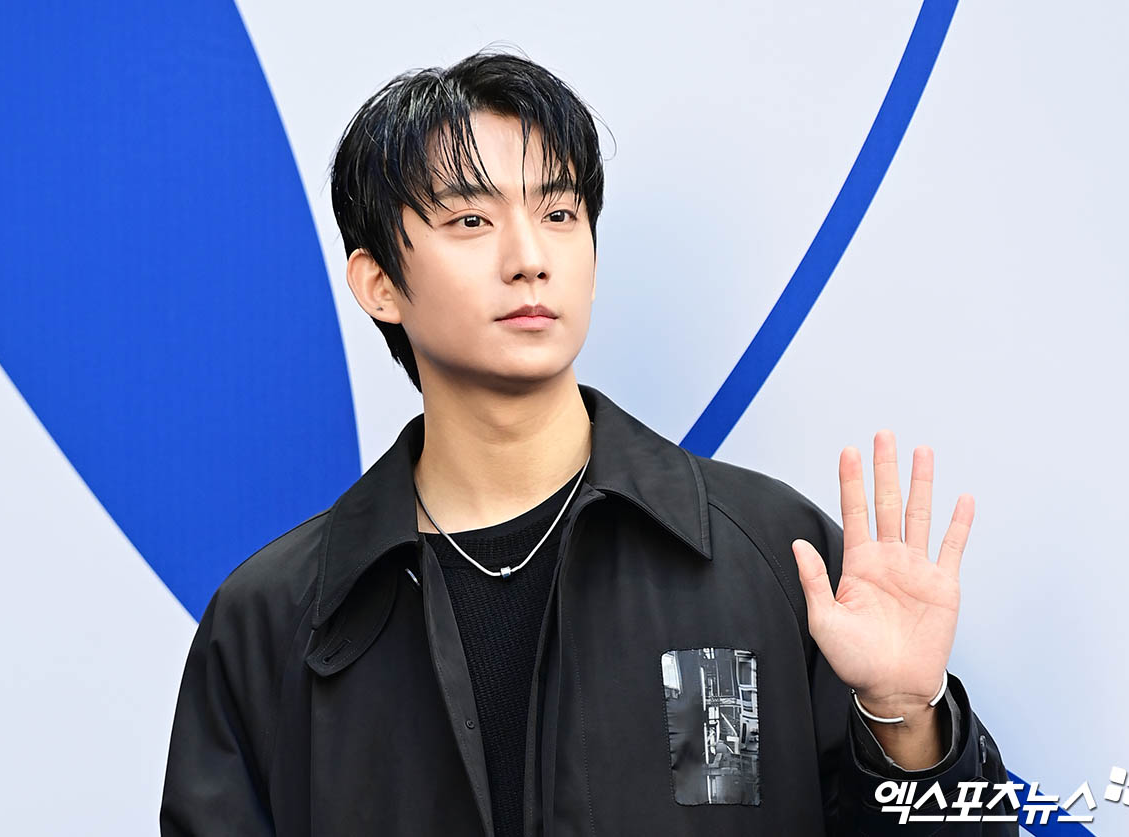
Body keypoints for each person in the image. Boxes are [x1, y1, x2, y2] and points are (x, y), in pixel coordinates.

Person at [160, 49, 1015, 836]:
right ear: (379, 282)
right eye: (471, 220)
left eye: (560, 212)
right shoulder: (275, 622)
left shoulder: (767, 554)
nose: (530, 257)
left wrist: (907, 723)